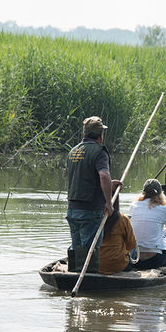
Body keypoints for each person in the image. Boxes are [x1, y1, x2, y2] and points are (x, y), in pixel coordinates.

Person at [66, 116, 120, 272]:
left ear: (84, 134)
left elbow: (84, 176)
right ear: (100, 134)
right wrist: (109, 203)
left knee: (77, 250)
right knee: (90, 252)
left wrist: (110, 184)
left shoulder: (73, 151)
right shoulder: (99, 151)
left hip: (72, 209)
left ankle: (74, 277)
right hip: (90, 210)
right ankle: (88, 286)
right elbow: (103, 175)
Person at [129, 179, 166, 270]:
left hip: (134, 258)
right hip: (155, 260)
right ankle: (165, 260)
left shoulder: (133, 206)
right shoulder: (163, 209)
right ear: (160, 194)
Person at [99, 195, 137, 274]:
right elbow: (131, 244)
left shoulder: (94, 218)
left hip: (96, 265)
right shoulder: (123, 219)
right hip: (118, 265)